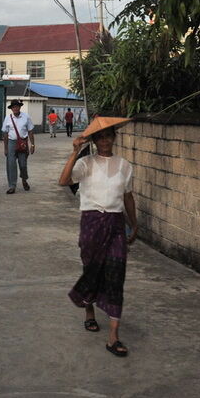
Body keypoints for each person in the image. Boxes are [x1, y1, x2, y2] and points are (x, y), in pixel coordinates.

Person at [58, 116, 137, 358]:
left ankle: (113, 336)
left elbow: (127, 198)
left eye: (108, 135)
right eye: (100, 136)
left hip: (115, 224)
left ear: (114, 137)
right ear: (94, 140)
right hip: (92, 222)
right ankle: (89, 311)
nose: (104, 140)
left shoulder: (124, 166)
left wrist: (134, 225)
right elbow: (63, 181)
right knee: (91, 269)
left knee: (116, 274)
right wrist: (75, 152)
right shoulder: (85, 164)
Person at [2, 99, 35, 193]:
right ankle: (12, 186)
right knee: (11, 164)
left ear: (20, 107)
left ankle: (24, 180)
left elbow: (30, 131)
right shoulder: (7, 118)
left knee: (23, 164)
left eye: (17, 106)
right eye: (13, 107)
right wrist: (5, 148)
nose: (15, 108)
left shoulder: (26, 117)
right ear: (11, 108)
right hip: (11, 142)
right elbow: (5, 133)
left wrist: (32, 144)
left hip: (23, 143)